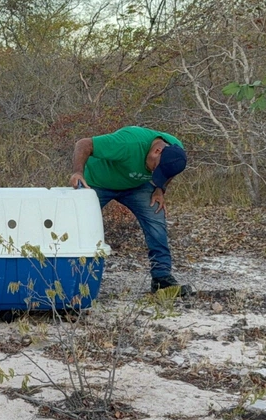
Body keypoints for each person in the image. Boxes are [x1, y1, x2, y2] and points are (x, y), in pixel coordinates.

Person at [69, 125, 193, 296]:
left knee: (156, 217)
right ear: (156, 151)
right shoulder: (128, 143)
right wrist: (77, 173)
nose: (154, 172)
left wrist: (160, 189)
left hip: (136, 187)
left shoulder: (176, 152)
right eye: (155, 168)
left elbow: (171, 171)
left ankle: (162, 279)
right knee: (77, 225)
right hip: (98, 182)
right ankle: (71, 276)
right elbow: (83, 144)